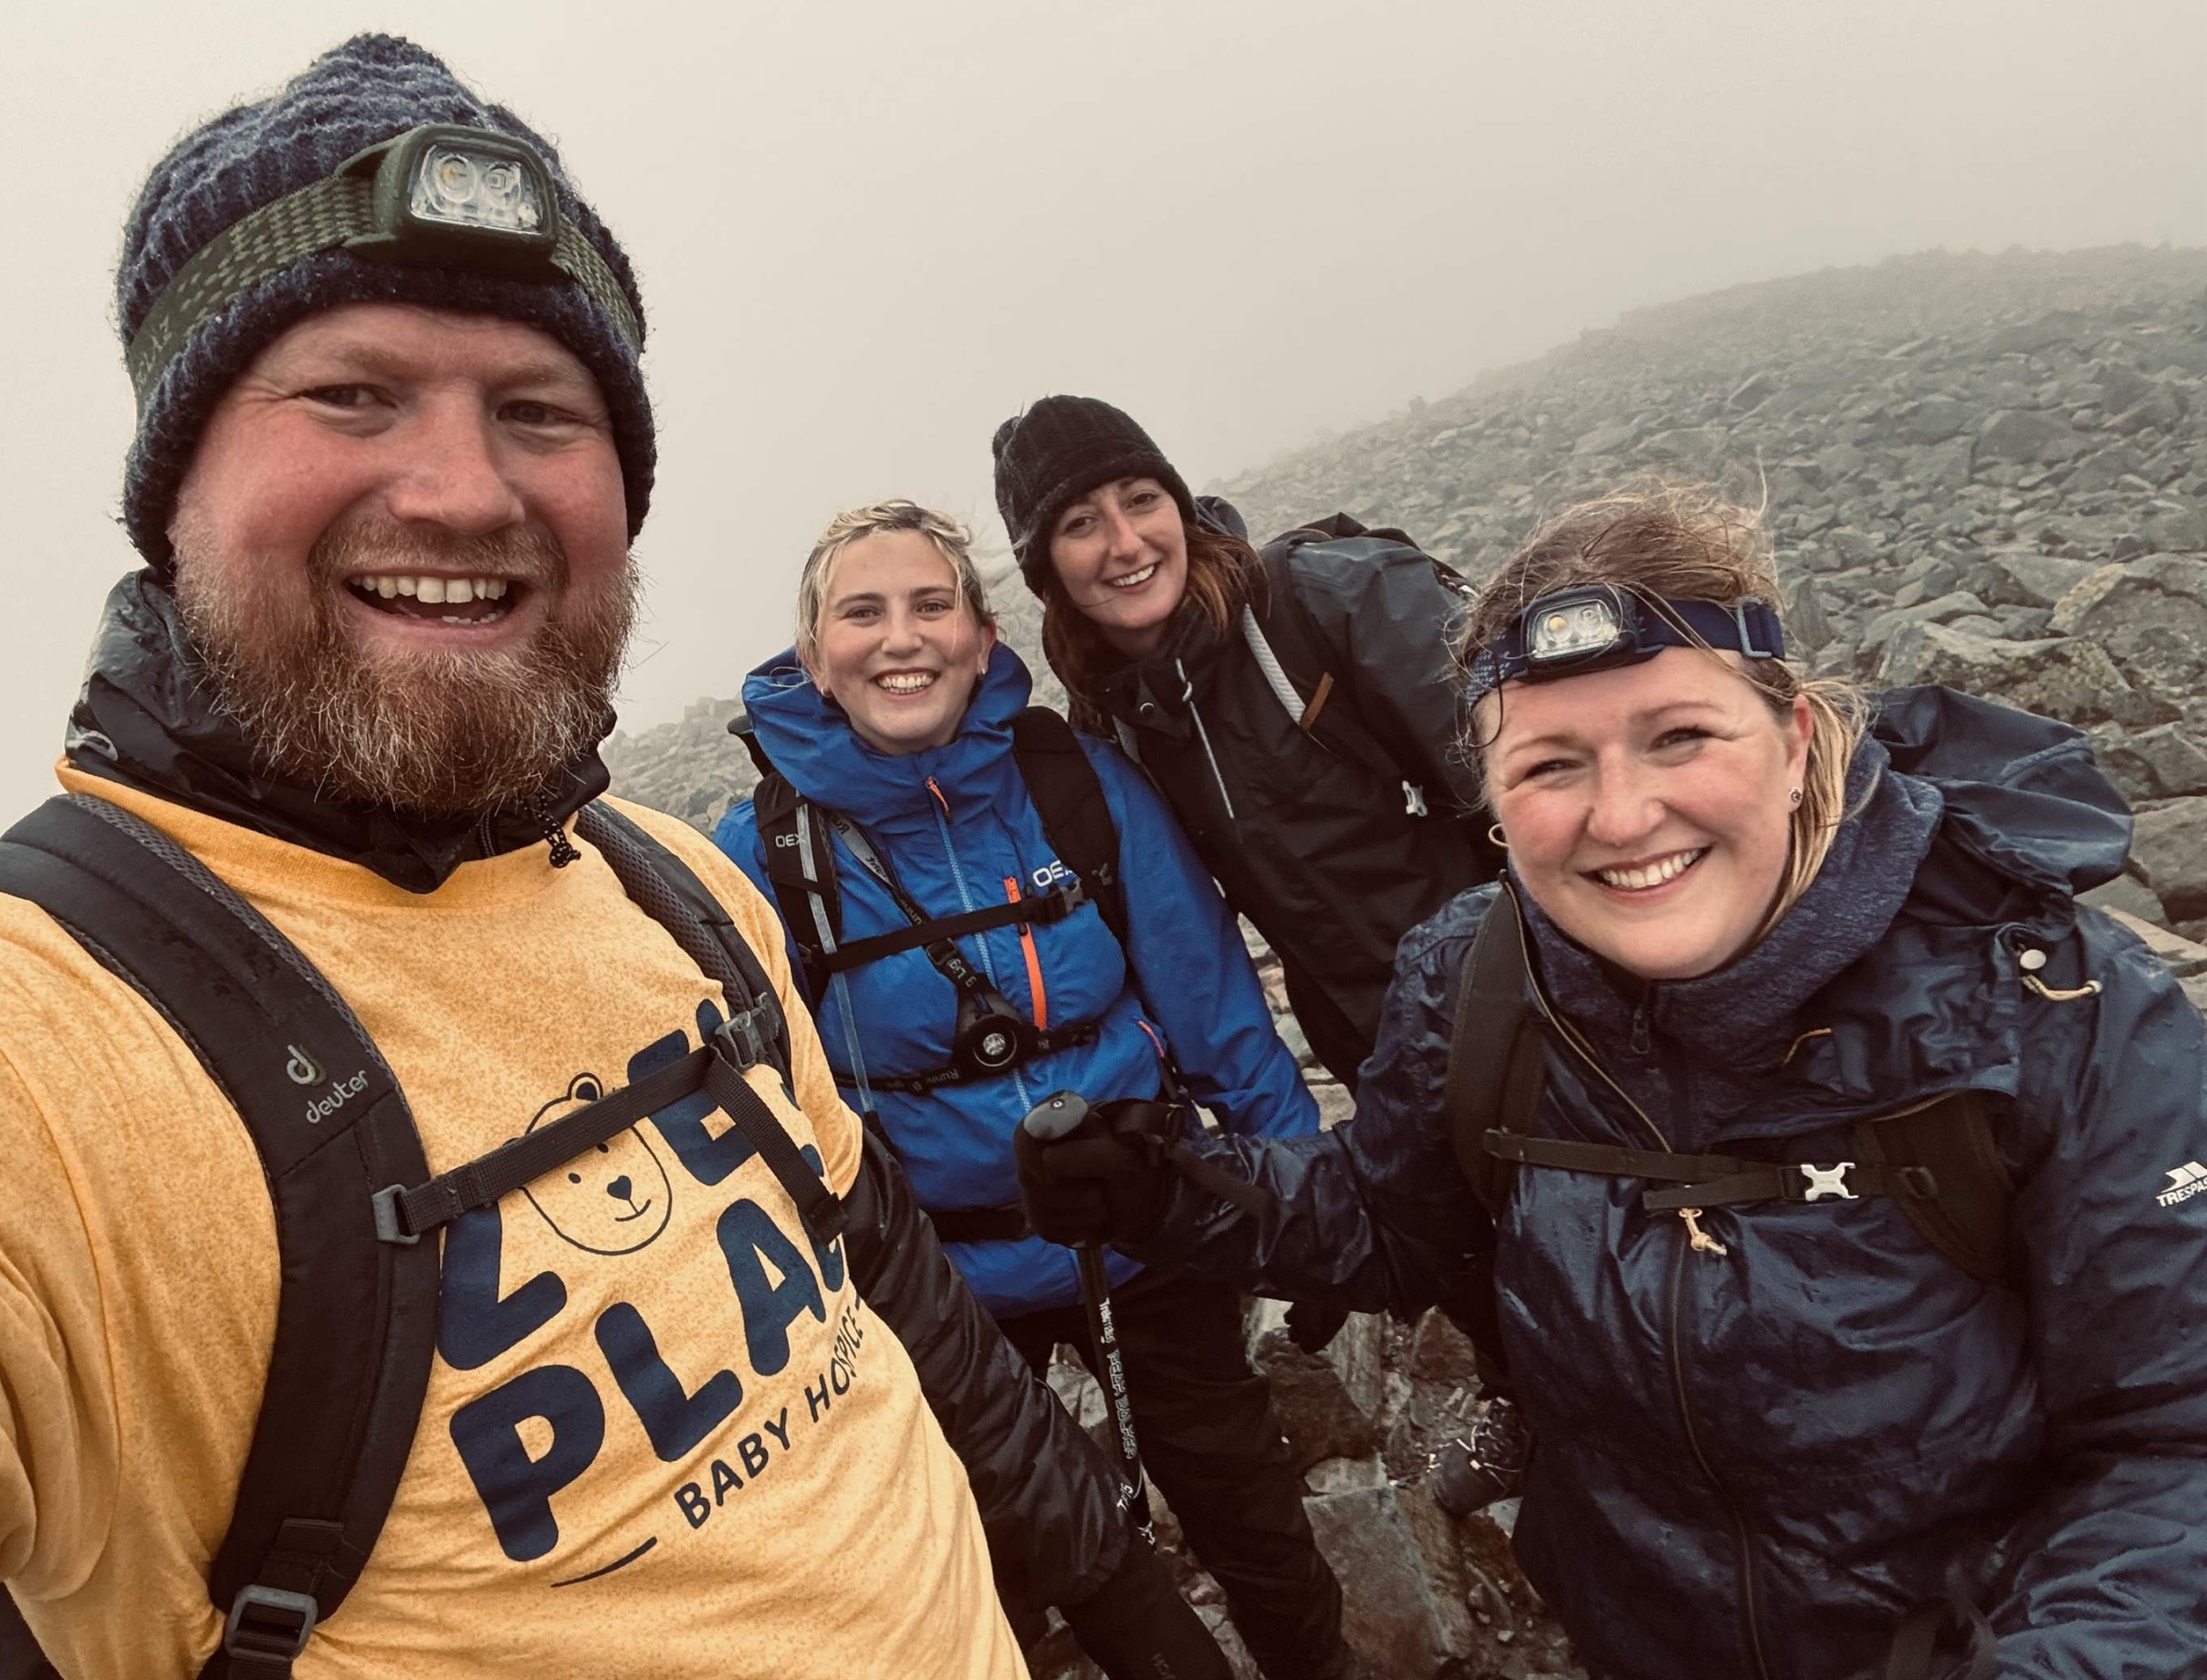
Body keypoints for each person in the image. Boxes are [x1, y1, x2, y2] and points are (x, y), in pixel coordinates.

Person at [0, 36, 1228, 1680]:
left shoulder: (674, 886)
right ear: (171, 487)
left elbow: (890, 1293)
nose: (459, 490)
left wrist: (1132, 1603)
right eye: (351, 393)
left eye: (540, 411)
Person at [1015, 485, 2207, 1679]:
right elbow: (1395, 1228)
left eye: (1680, 735)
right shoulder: (1472, 980)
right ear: (1485, 788)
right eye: (1550, 764)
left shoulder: (2054, 1010)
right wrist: (1166, 1182)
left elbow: (2174, 1445)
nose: (1625, 815)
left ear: (1795, 740)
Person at [713, 501, 1360, 1680]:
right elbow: (761, 1115)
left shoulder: (1074, 784)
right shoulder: (762, 858)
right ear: (813, 658)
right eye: (862, 612)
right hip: (949, 1293)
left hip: (1147, 1230)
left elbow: (1211, 1002)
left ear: (980, 636)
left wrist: (1301, 1209)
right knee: (1011, 1559)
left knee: (1246, 1502)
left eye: (930, 606)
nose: (900, 638)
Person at [991, 395, 1518, 1510]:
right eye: (1081, 524)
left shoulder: (1321, 600)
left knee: (1586, 1205)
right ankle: (1531, 1397)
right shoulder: (1116, 719)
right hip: (1359, 1019)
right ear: (1045, 571)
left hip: (1508, 976)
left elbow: (1518, 772)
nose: (1127, 540)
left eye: (1143, 499)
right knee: (1456, 1231)